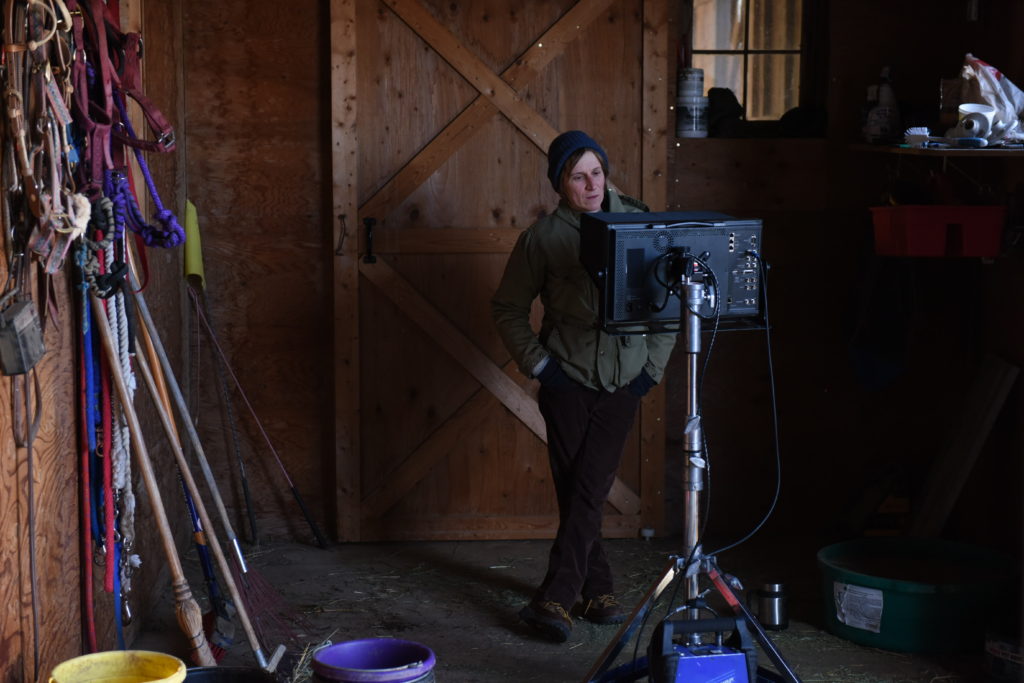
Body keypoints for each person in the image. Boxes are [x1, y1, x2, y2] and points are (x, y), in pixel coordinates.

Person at [491, 130, 677, 643]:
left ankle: (555, 596)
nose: (591, 184)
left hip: (624, 382)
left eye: (597, 172)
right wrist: (541, 366)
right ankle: (597, 591)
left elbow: (668, 312)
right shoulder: (543, 239)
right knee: (581, 491)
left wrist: (650, 373)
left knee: (587, 488)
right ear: (560, 184)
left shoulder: (641, 224)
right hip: (567, 381)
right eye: (578, 176)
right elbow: (507, 309)